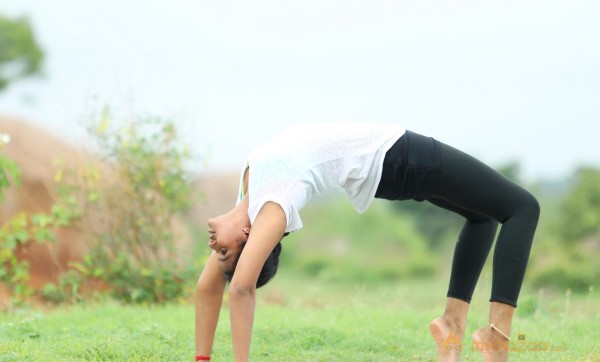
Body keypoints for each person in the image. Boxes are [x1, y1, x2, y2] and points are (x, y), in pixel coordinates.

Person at [194, 121, 540, 362]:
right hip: (399, 157)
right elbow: (240, 288)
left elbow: (209, 287)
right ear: (247, 238)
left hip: (391, 163)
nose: (213, 247)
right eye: (224, 252)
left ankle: (452, 323)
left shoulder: (249, 198)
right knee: (523, 207)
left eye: (218, 254)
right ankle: (497, 335)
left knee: (482, 216)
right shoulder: (271, 209)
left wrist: (202, 358)